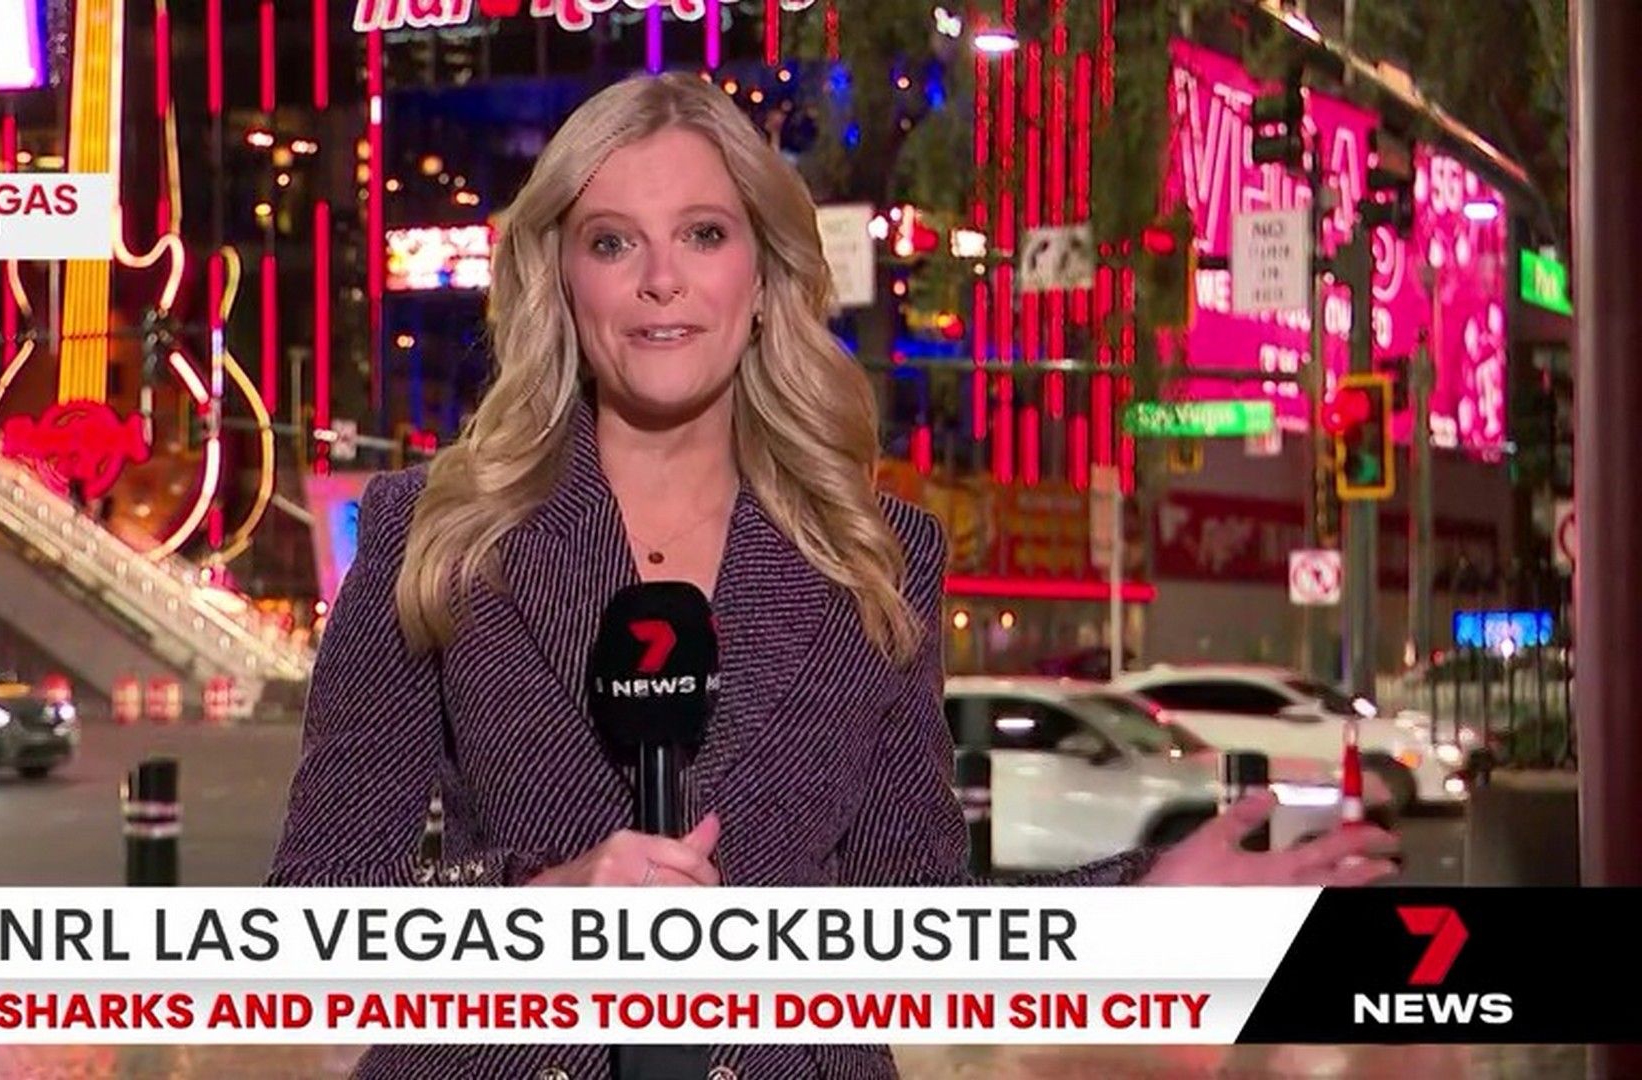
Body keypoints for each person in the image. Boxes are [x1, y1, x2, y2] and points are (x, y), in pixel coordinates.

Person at [269, 72, 1398, 1078]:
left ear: (765, 275)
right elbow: (314, 922)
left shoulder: (873, 558)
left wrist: (1139, 910)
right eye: (612, 243)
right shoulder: (436, 532)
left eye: (703, 234)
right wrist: (537, 912)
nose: (661, 280)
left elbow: (914, 917)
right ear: (562, 281)